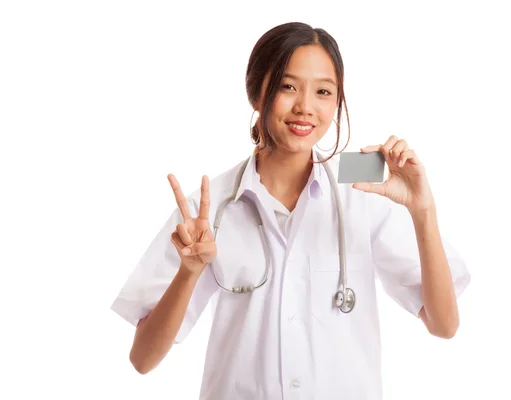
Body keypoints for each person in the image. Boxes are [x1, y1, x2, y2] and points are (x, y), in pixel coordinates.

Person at [111, 21, 471, 400]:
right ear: (256, 93)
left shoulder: (363, 182)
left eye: (323, 92)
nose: (305, 107)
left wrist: (423, 211)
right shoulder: (210, 204)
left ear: (337, 101)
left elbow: (444, 324)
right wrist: (188, 273)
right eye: (287, 86)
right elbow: (142, 359)